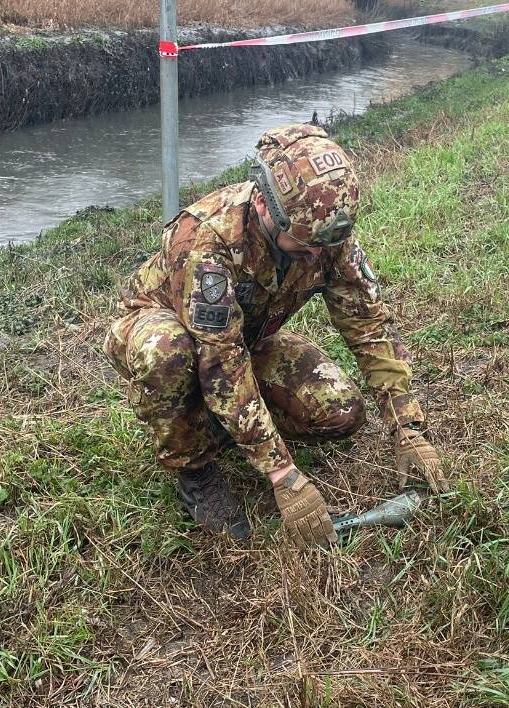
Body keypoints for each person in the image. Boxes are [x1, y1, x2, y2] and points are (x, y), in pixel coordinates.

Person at [103, 123, 444, 547]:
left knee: (339, 412)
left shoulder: (322, 229)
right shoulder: (206, 240)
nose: (317, 256)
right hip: (163, 327)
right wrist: (283, 473)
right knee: (168, 353)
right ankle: (193, 468)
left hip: (244, 336)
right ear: (265, 205)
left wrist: (405, 424)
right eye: (305, 246)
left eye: (325, 245)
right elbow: (221, 361)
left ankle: (220, 424)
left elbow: (368, 326)